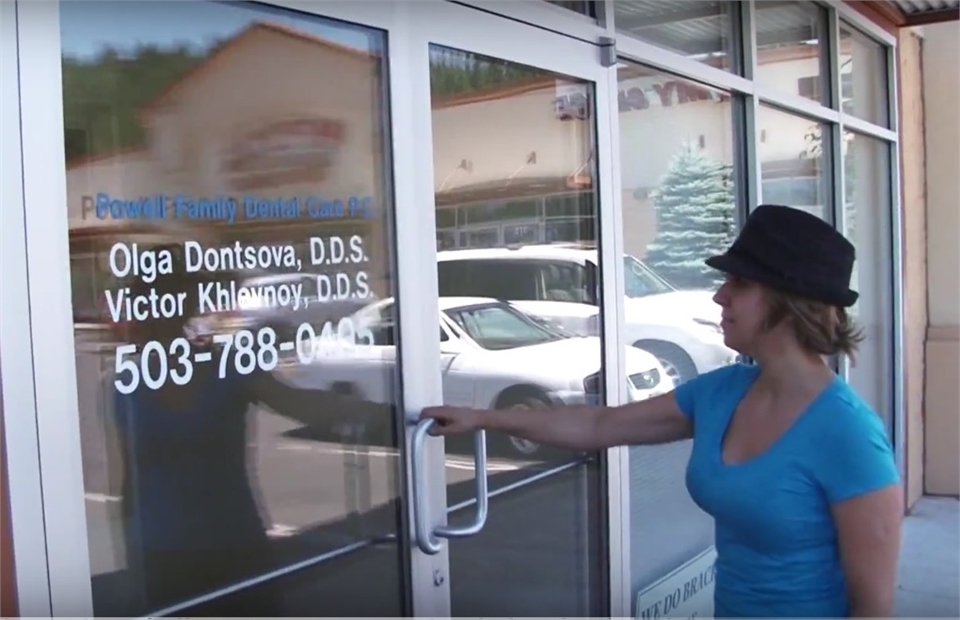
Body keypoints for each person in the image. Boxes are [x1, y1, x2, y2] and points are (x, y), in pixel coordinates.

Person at [420, 204, 902, 618]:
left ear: (786, 299)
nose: (720, 295)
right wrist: (486, 419)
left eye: (739, 282)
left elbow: (874, 605)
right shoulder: (723, 392)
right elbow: (599, 423)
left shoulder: (848, 433)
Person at [109, 242, 392, 615]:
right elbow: (130, 484)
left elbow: (301, 404)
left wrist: (384, 414)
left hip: (211, 546)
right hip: (189, 549)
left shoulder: (192, 371)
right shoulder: (133, 382)